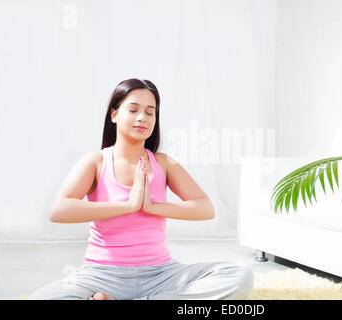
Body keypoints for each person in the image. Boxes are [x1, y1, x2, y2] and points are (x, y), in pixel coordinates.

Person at [28, 78, 254, 300]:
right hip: (103, 275)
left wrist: (152, 206)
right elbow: (58, 211)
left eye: (150, 112)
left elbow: (205, 209)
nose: (142, 118)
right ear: (114, 115)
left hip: (161, 274)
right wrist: (129, 205)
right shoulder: (96, 161)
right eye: (133, 109)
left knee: (239, 275)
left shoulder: (164, 163)